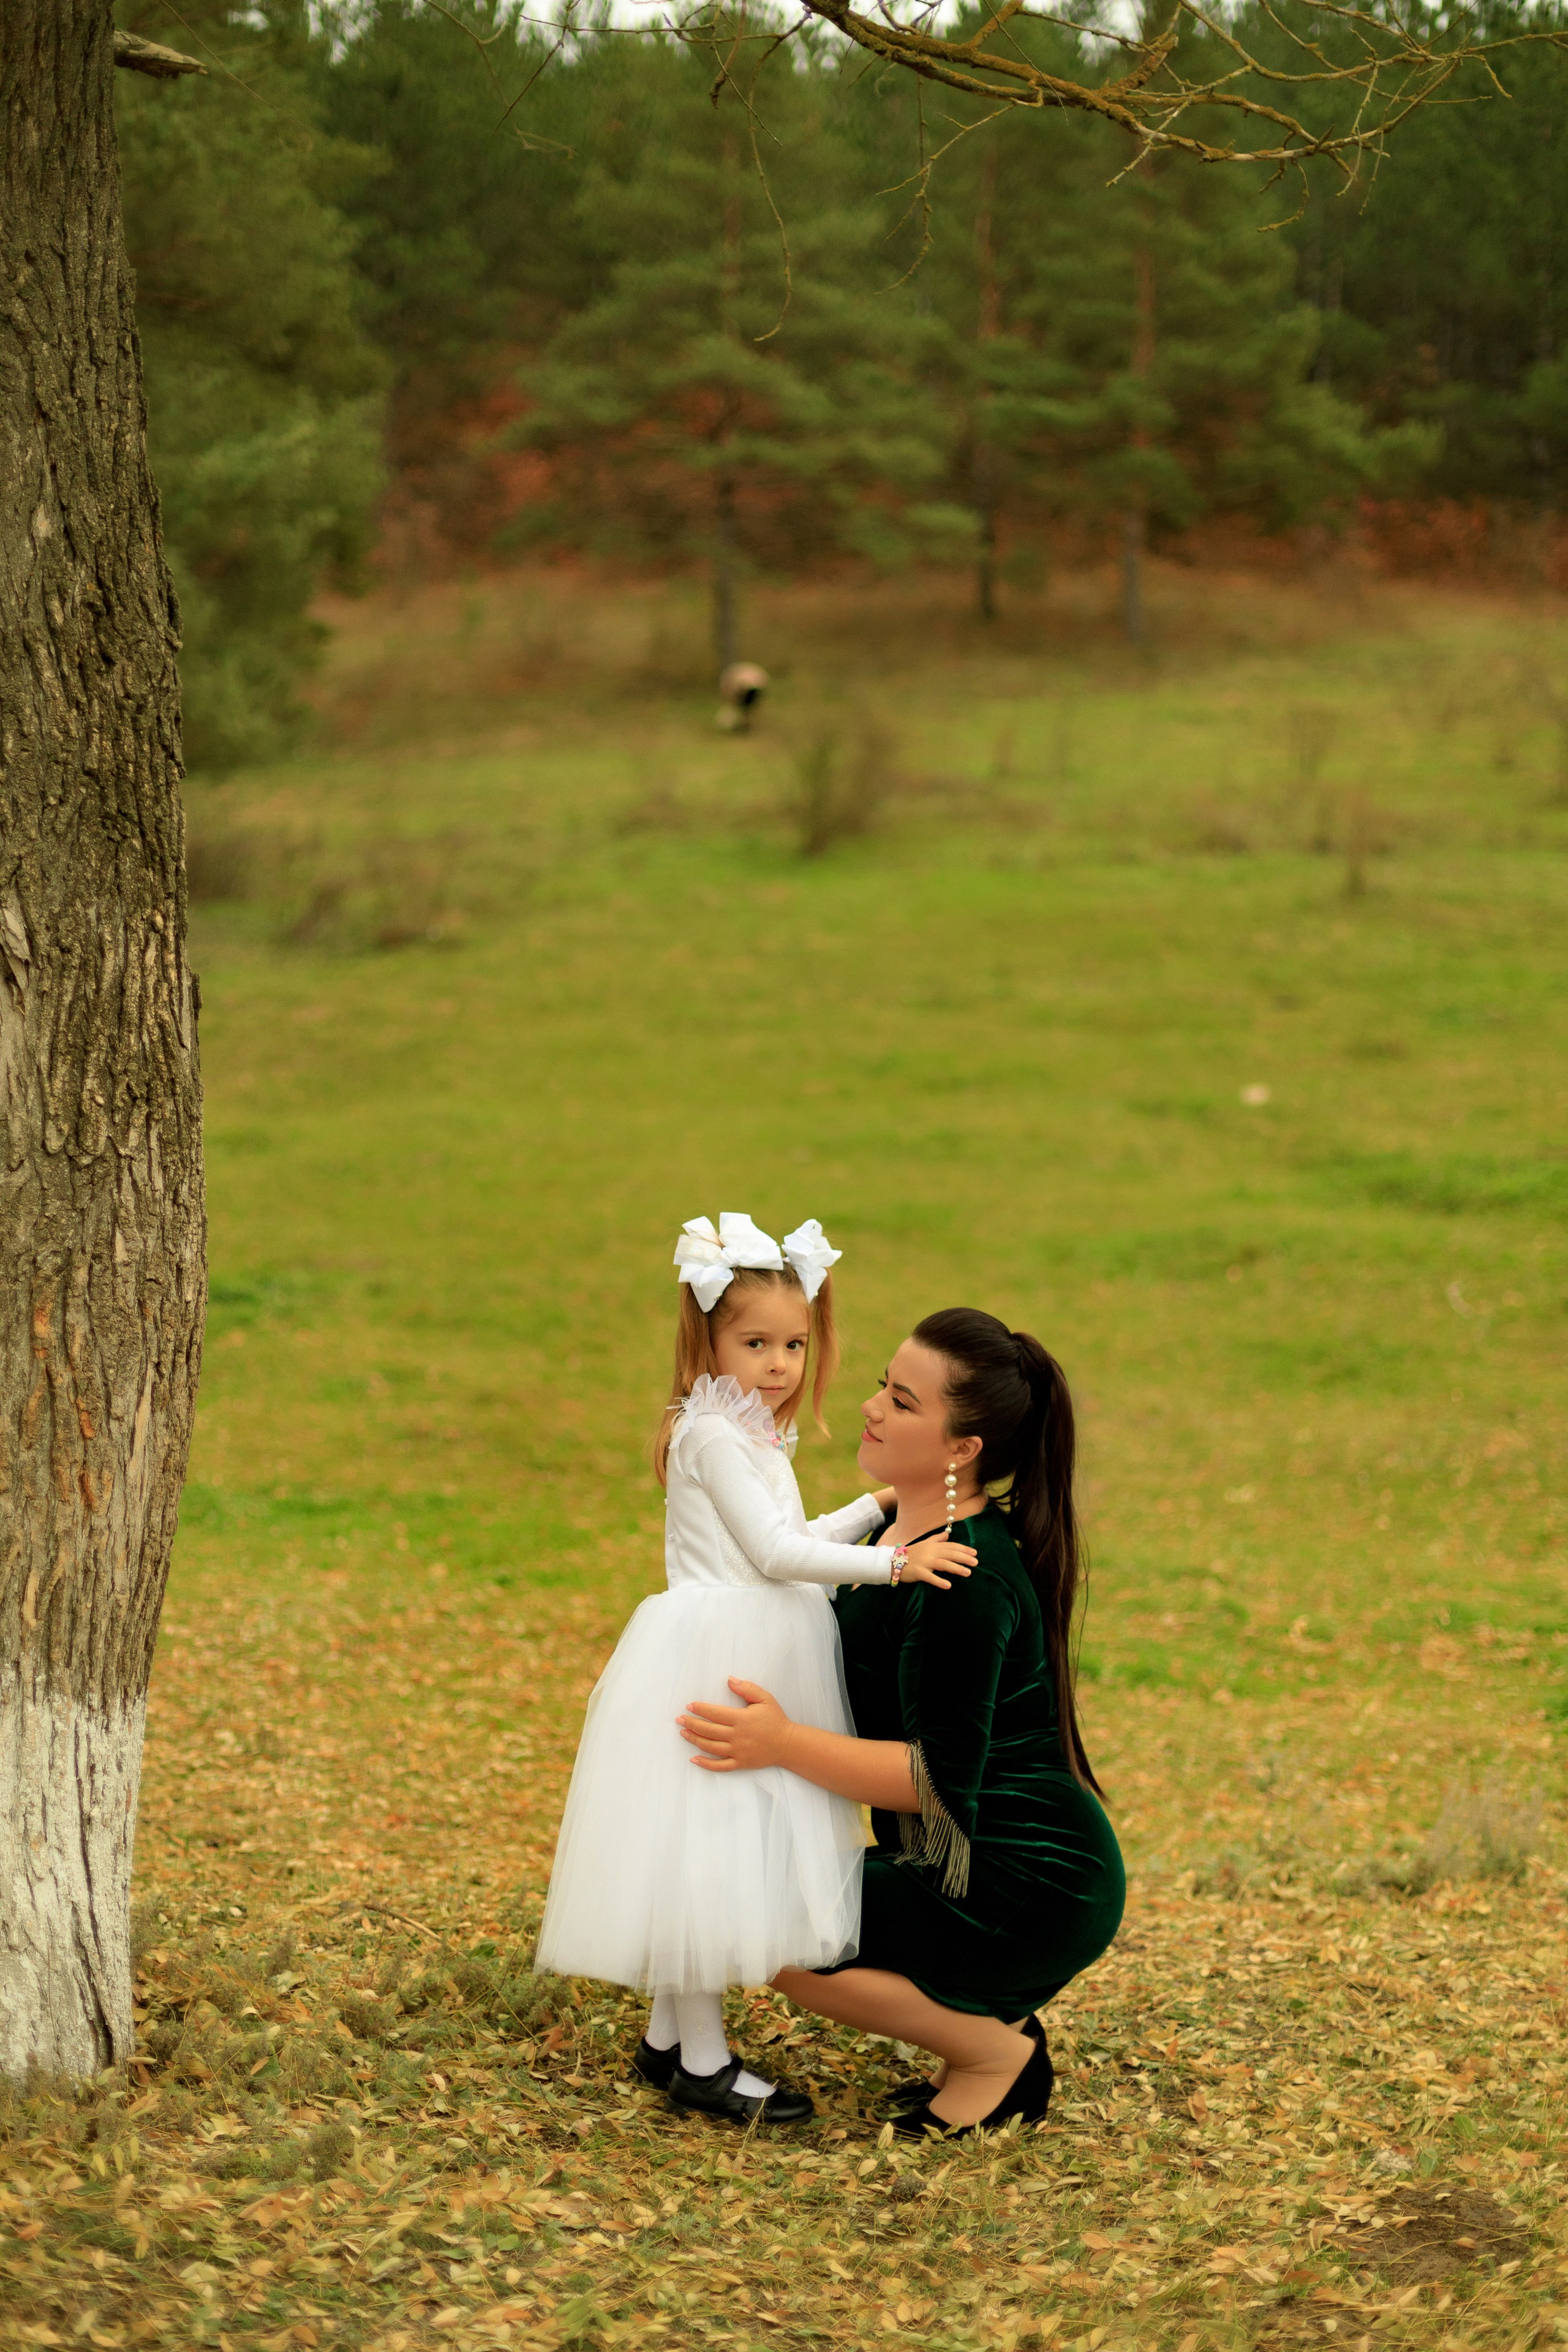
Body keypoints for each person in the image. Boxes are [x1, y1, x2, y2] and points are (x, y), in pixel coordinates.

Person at [535, 1216, 977, 2127]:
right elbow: (775, 1556)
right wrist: (897, 1560)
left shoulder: (753, 1429)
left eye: (795, 1344)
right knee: (712, 1848)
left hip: (755, 1642)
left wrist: (871, 1507)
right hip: (717, 1658)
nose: (779, 1363)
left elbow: (788, 1543)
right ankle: (702, 2061)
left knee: (727, 1843)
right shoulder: (710, 1436)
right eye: (756, 1343)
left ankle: (669, 2041)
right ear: (706, 1339)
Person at [677, 1307, 1125, 2137]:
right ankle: (989, 2035)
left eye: (904, 1402)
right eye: (884, 1385)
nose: (871, 1407)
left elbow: (935, 1781)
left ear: (964, 1450)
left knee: (766, 1929)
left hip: (1027, 1881)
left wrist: (779, 1745)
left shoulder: (964, 1578)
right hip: (967, 1860)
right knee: (762, 1900)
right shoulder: (901, 1534)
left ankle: (998, 2054)